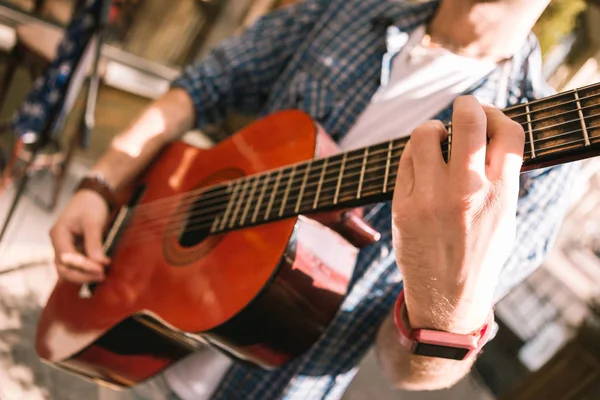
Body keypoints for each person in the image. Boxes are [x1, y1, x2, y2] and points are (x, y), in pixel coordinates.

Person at [49, 0, 578, 399]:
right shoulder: (350, 9)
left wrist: (448, 302)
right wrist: (102, 182)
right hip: (141, 327)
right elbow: (209, 82)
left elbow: (410, 371)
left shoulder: (539, 156)